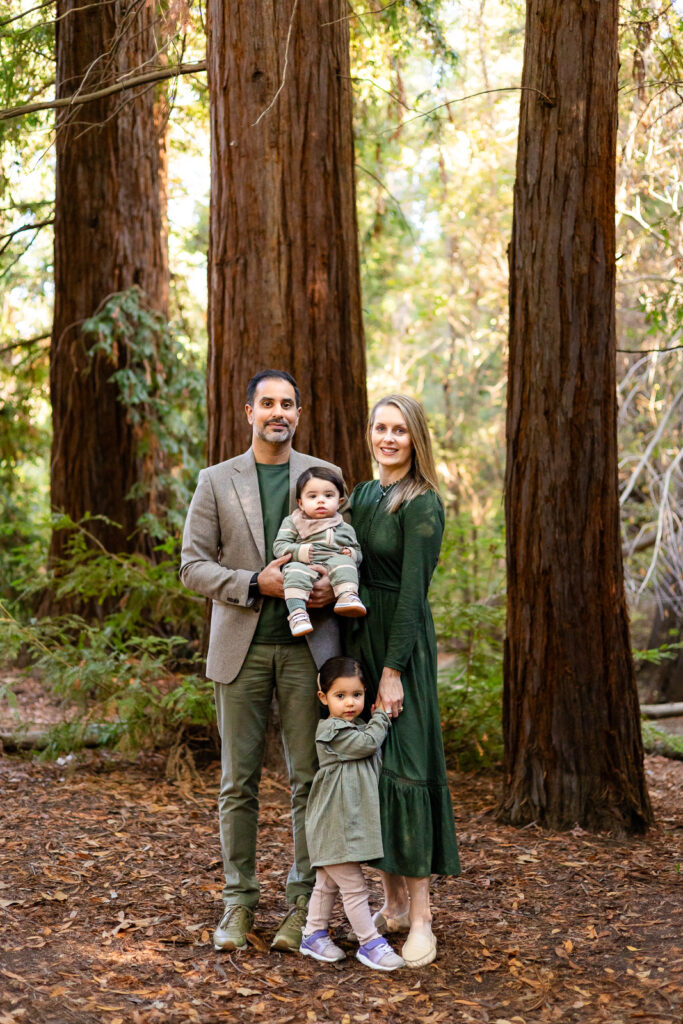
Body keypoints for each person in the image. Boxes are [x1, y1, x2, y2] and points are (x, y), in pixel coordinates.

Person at [180, 369, 344, 954]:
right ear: (247, 411)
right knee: (237, 783)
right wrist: (256, 582)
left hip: (309, 651)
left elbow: (343, 552)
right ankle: (238, 904)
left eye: (289, 404)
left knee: (309, 781)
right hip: (241, 648)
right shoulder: (216, 480)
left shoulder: (324, 476)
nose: (279, 412)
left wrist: (324, 589)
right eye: (268, 403)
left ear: (299, 413)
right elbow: (192, 566)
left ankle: (304, 904)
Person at [346, 394, 461, 969]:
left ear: (416, 439)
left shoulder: (423, 504)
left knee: (408, 770)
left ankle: (421, 920)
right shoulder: (364, 495)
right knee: (373, 775)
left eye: (399, 430)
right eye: (380, 427)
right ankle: (390, 904)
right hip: (358, 645)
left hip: (401, 648)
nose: (387, 438)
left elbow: (414, 595)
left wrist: (392, 672)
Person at [299, 656, 404, 972]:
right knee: (355, 887)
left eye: (356, 695)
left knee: (327, 883)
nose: (349, 703)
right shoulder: (332, 730)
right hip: (334, 822)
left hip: (344, 821)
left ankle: (312, 934)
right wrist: (382, 716)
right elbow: (369, 743)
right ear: (323, 698)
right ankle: (370, 943)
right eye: (340, 696)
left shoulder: (352, 725)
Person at [273, 467, 367, 637]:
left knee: (345, 563)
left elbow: (358, 552)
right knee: (294, 572)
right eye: (313, 496)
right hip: (304, 565)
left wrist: (351, 553)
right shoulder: (293, 522)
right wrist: (301, 551)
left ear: (340, 501)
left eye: (328, 496)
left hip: (333, 567)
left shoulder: (345, 527)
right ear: (300, 502)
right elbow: (279, 546)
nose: (321, 501)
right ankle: (297, 614)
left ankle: (347, 596)